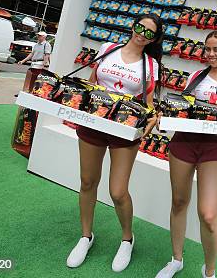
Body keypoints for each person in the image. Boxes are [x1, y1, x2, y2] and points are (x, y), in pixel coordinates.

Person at [66, 15, 162, 272]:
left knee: (118, 191)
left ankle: (127, 239)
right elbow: (91, 82)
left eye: (149, 33)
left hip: (124, 129)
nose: (142, 34)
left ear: (154, 39)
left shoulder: (151, 64)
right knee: (87, 181)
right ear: (132, 26)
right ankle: (86, 236)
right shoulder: (108, 49)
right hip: (93, 123)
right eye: (140, 27)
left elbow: (149, 103)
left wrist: (153, 117)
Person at [155, 31, 217, 278]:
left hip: (214, 148)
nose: (211, 54)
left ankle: (209, 272)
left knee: (208, 214)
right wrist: (165, 118)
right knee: (179, 202)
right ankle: (176, 259)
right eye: (207, 49)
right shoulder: (196, 76)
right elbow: (182, 109)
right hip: (184, 143)